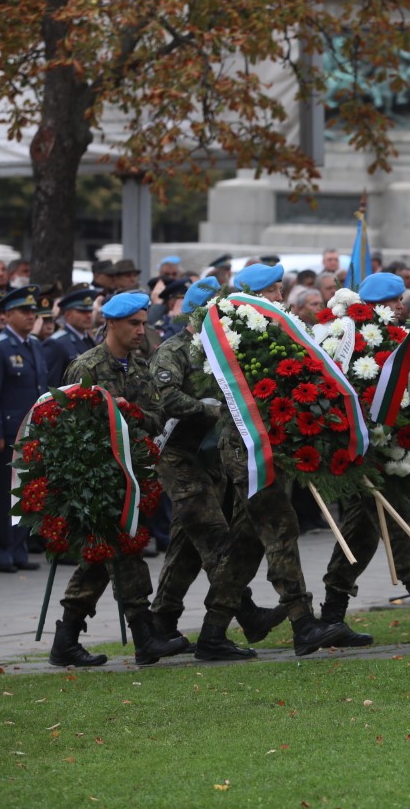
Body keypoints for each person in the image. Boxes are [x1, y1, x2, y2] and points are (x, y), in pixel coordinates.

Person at [214, 263, 349, 657]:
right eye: (274, 290)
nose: (279, 298)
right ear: (255, 296)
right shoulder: (234, 334)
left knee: (244, 543)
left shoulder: (275, 330)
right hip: (247, 451)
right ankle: (303, 624)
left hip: (267, 448)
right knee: (280, 528)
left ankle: (211, 631)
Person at [147, 278, 286, 661]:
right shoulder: (172, 352)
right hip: (180, 460)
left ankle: (161, 621)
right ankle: (238, 619)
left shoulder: (220, 351)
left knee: (186, 547)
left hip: (212, 463)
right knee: (215, 539)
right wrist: (212, 408)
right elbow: (169, 397)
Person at [48, 292, 188, 668]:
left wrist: (135, 413)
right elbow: (73, 428)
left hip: (134, 476)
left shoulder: (140, 368)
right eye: (134, 323)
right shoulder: (86, 367)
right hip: (101, 479)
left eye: (143, 323)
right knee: (123, 552)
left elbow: (159, 417)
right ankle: (144, 637)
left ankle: (66, 640)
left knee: (101, 559)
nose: (141, 330)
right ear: (110, 323)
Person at [318, 272, 410, 644]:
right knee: (399, 524)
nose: (401, 306)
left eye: (402, 300)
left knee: (360, 536)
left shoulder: (394, 339)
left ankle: (332, 616)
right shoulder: (351, 340)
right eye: (394, 301)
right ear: (378, 305)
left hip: (388, 449)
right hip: (365, 452)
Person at [0, 285, 47, 574]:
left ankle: (18, 548)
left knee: (27, 493)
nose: (31, 316)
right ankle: (0, 551)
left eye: (33, 312)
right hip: (8, 434)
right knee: (3, 496)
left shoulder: (34, 346)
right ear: (8, 315)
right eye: (24, 311)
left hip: (31, 433)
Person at [42, 288, 100, 387]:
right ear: (67, 314)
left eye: (90, 311)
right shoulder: (56, 344)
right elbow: (51, 387)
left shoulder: (89, 341)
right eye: (82, 312)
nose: (89, 316)